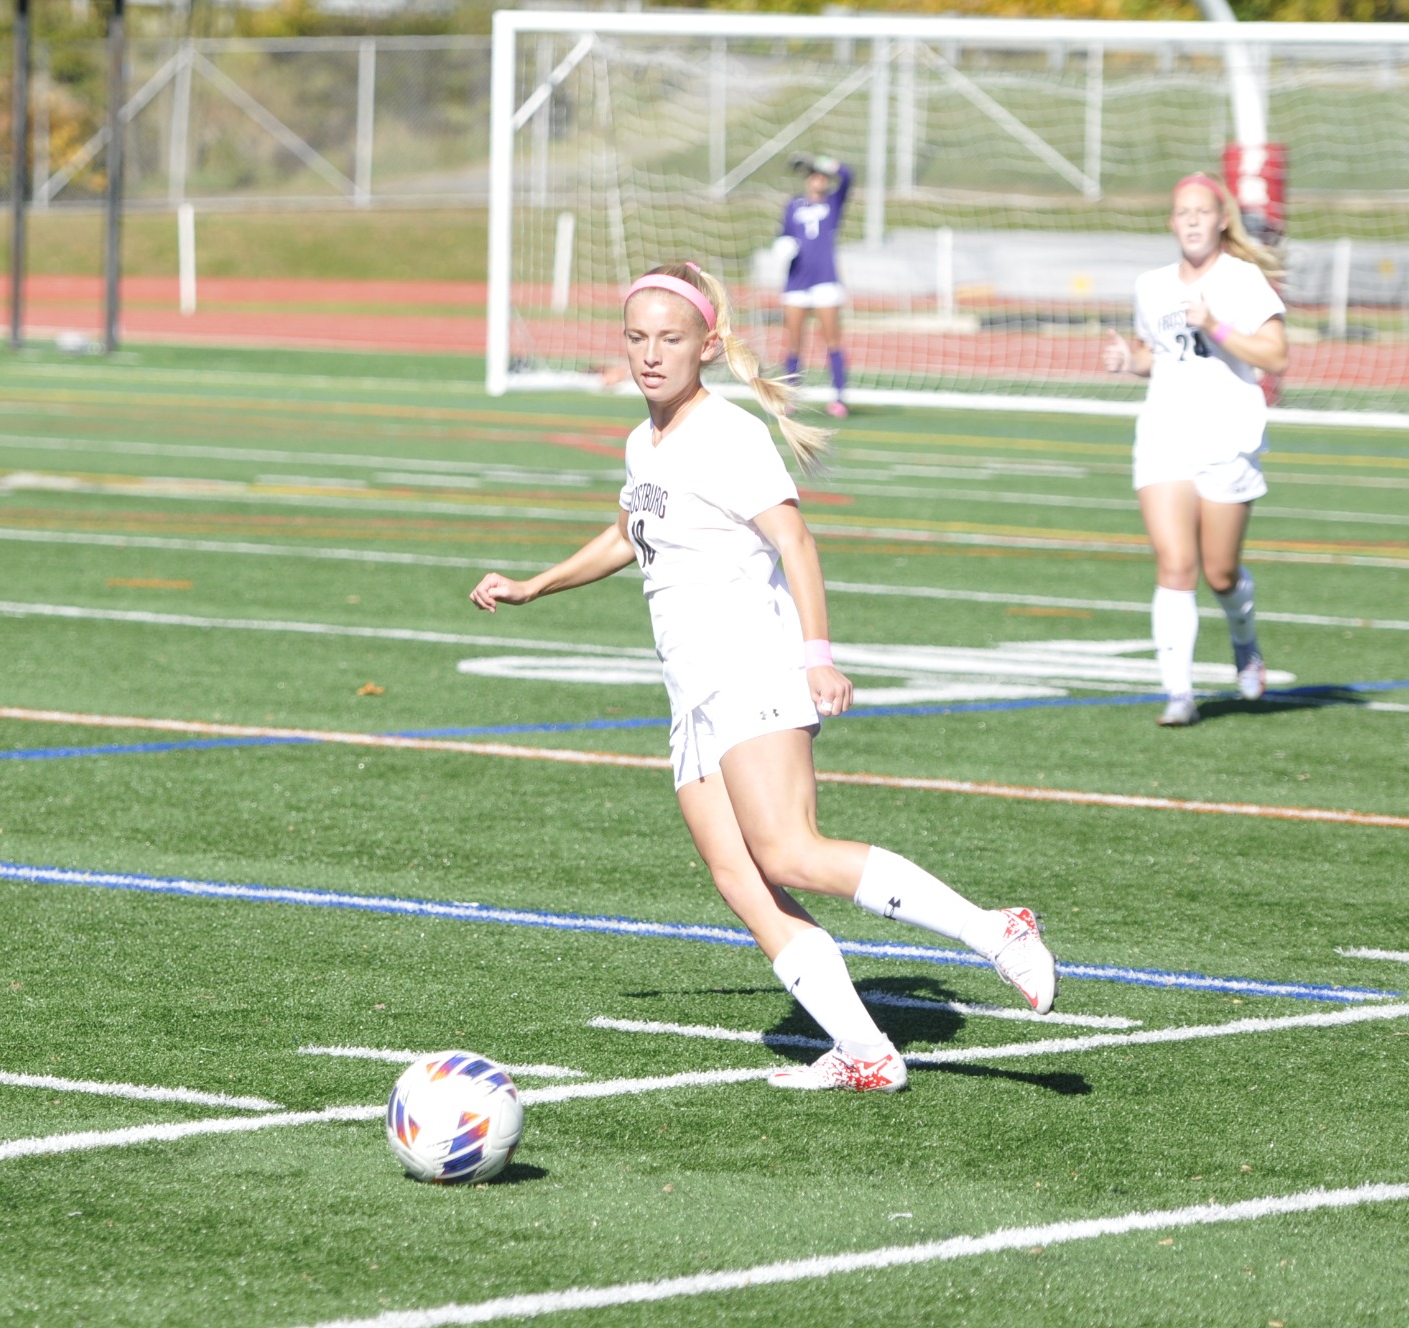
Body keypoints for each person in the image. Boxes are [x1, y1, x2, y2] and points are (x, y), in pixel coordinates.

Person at [469, 261, 1058, 1093]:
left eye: (669, 339)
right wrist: (535, 583)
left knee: (789, 850)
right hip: (693, 692)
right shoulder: (646, 441)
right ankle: (865, 1050)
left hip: (754, 664)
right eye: (637, 337)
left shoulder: (729, 433)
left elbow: (797, 542)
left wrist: (818, 656)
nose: (650, 354)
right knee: (741, 879)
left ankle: (995, 929)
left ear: (707, 345)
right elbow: (629, 532)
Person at [1103, 172, 1288, 727]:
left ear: (1221, 219)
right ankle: (1179, 694)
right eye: (1182, 212)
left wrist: (1218, 325)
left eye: (1201, 212)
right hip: (1164, 436)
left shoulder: (1244, 280)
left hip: (1227, 439)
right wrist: (1127, 361)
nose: (1191, 220)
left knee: (1221, 573)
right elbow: (1156, 355)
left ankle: (1244, 642)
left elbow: (1275, 356)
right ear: (1171, 222)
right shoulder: (1152, 285)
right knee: (1175, 565)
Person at [777, 153, 854, 418]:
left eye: (821, 176)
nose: (817, 180)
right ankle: (790, 396)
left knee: (832, 340)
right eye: (813, 176)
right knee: (794, 342)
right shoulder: (793, 205)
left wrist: (824, 163)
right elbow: (785, 234)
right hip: (797, 280)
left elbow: (848, 176)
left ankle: (839, 397)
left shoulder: (833, 202)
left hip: (825, 280)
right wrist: (783, 246)